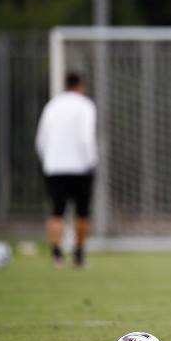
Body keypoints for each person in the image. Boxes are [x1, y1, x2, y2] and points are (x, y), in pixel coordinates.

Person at [35, 72, 98, 268]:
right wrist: (92, 161)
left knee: (56, 211)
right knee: (82, 213)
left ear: (65, 85)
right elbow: (86, 137)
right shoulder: (85, 105)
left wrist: (48, 162)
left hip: (54, 167)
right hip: (80, 168)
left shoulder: (52, 106)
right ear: (81, 86)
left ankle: (57, 256)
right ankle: (78, 255)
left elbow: (41, 139)